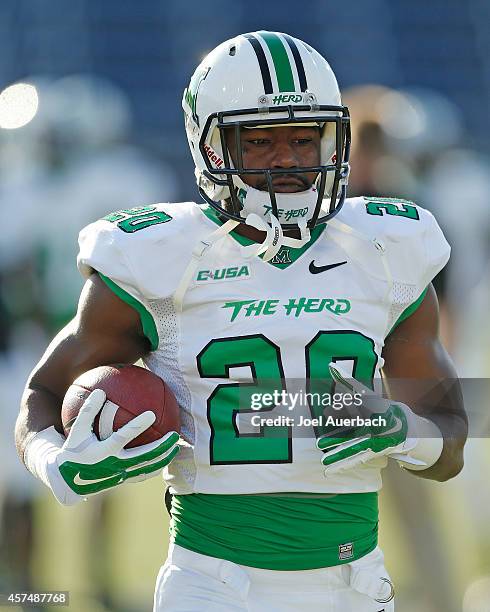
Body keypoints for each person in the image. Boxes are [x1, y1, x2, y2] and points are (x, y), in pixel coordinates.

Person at [15, 31, 467, 611]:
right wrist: (57, 460)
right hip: (211, 585)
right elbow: (45, 390)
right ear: (210, 148)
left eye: (305, 138)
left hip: (356, 584)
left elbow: (452, 432)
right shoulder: (161, 256)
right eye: (259, 141)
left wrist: (408, 431)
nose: (287, 158)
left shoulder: (387, 249)